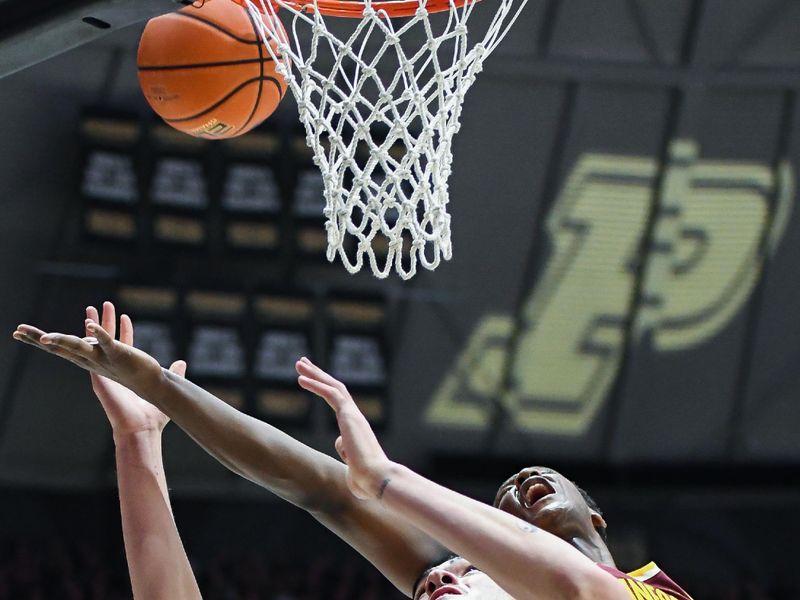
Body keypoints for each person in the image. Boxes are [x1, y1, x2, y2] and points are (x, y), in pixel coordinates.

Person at [13, 303, 690, 599]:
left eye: (545, 481)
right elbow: (320, 487)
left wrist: (389, 481)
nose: (526, 480)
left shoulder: (655, 594)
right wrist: (146, 425)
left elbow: (578, 589)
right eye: (507, 497)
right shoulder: (458, 574)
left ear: (596, 518)